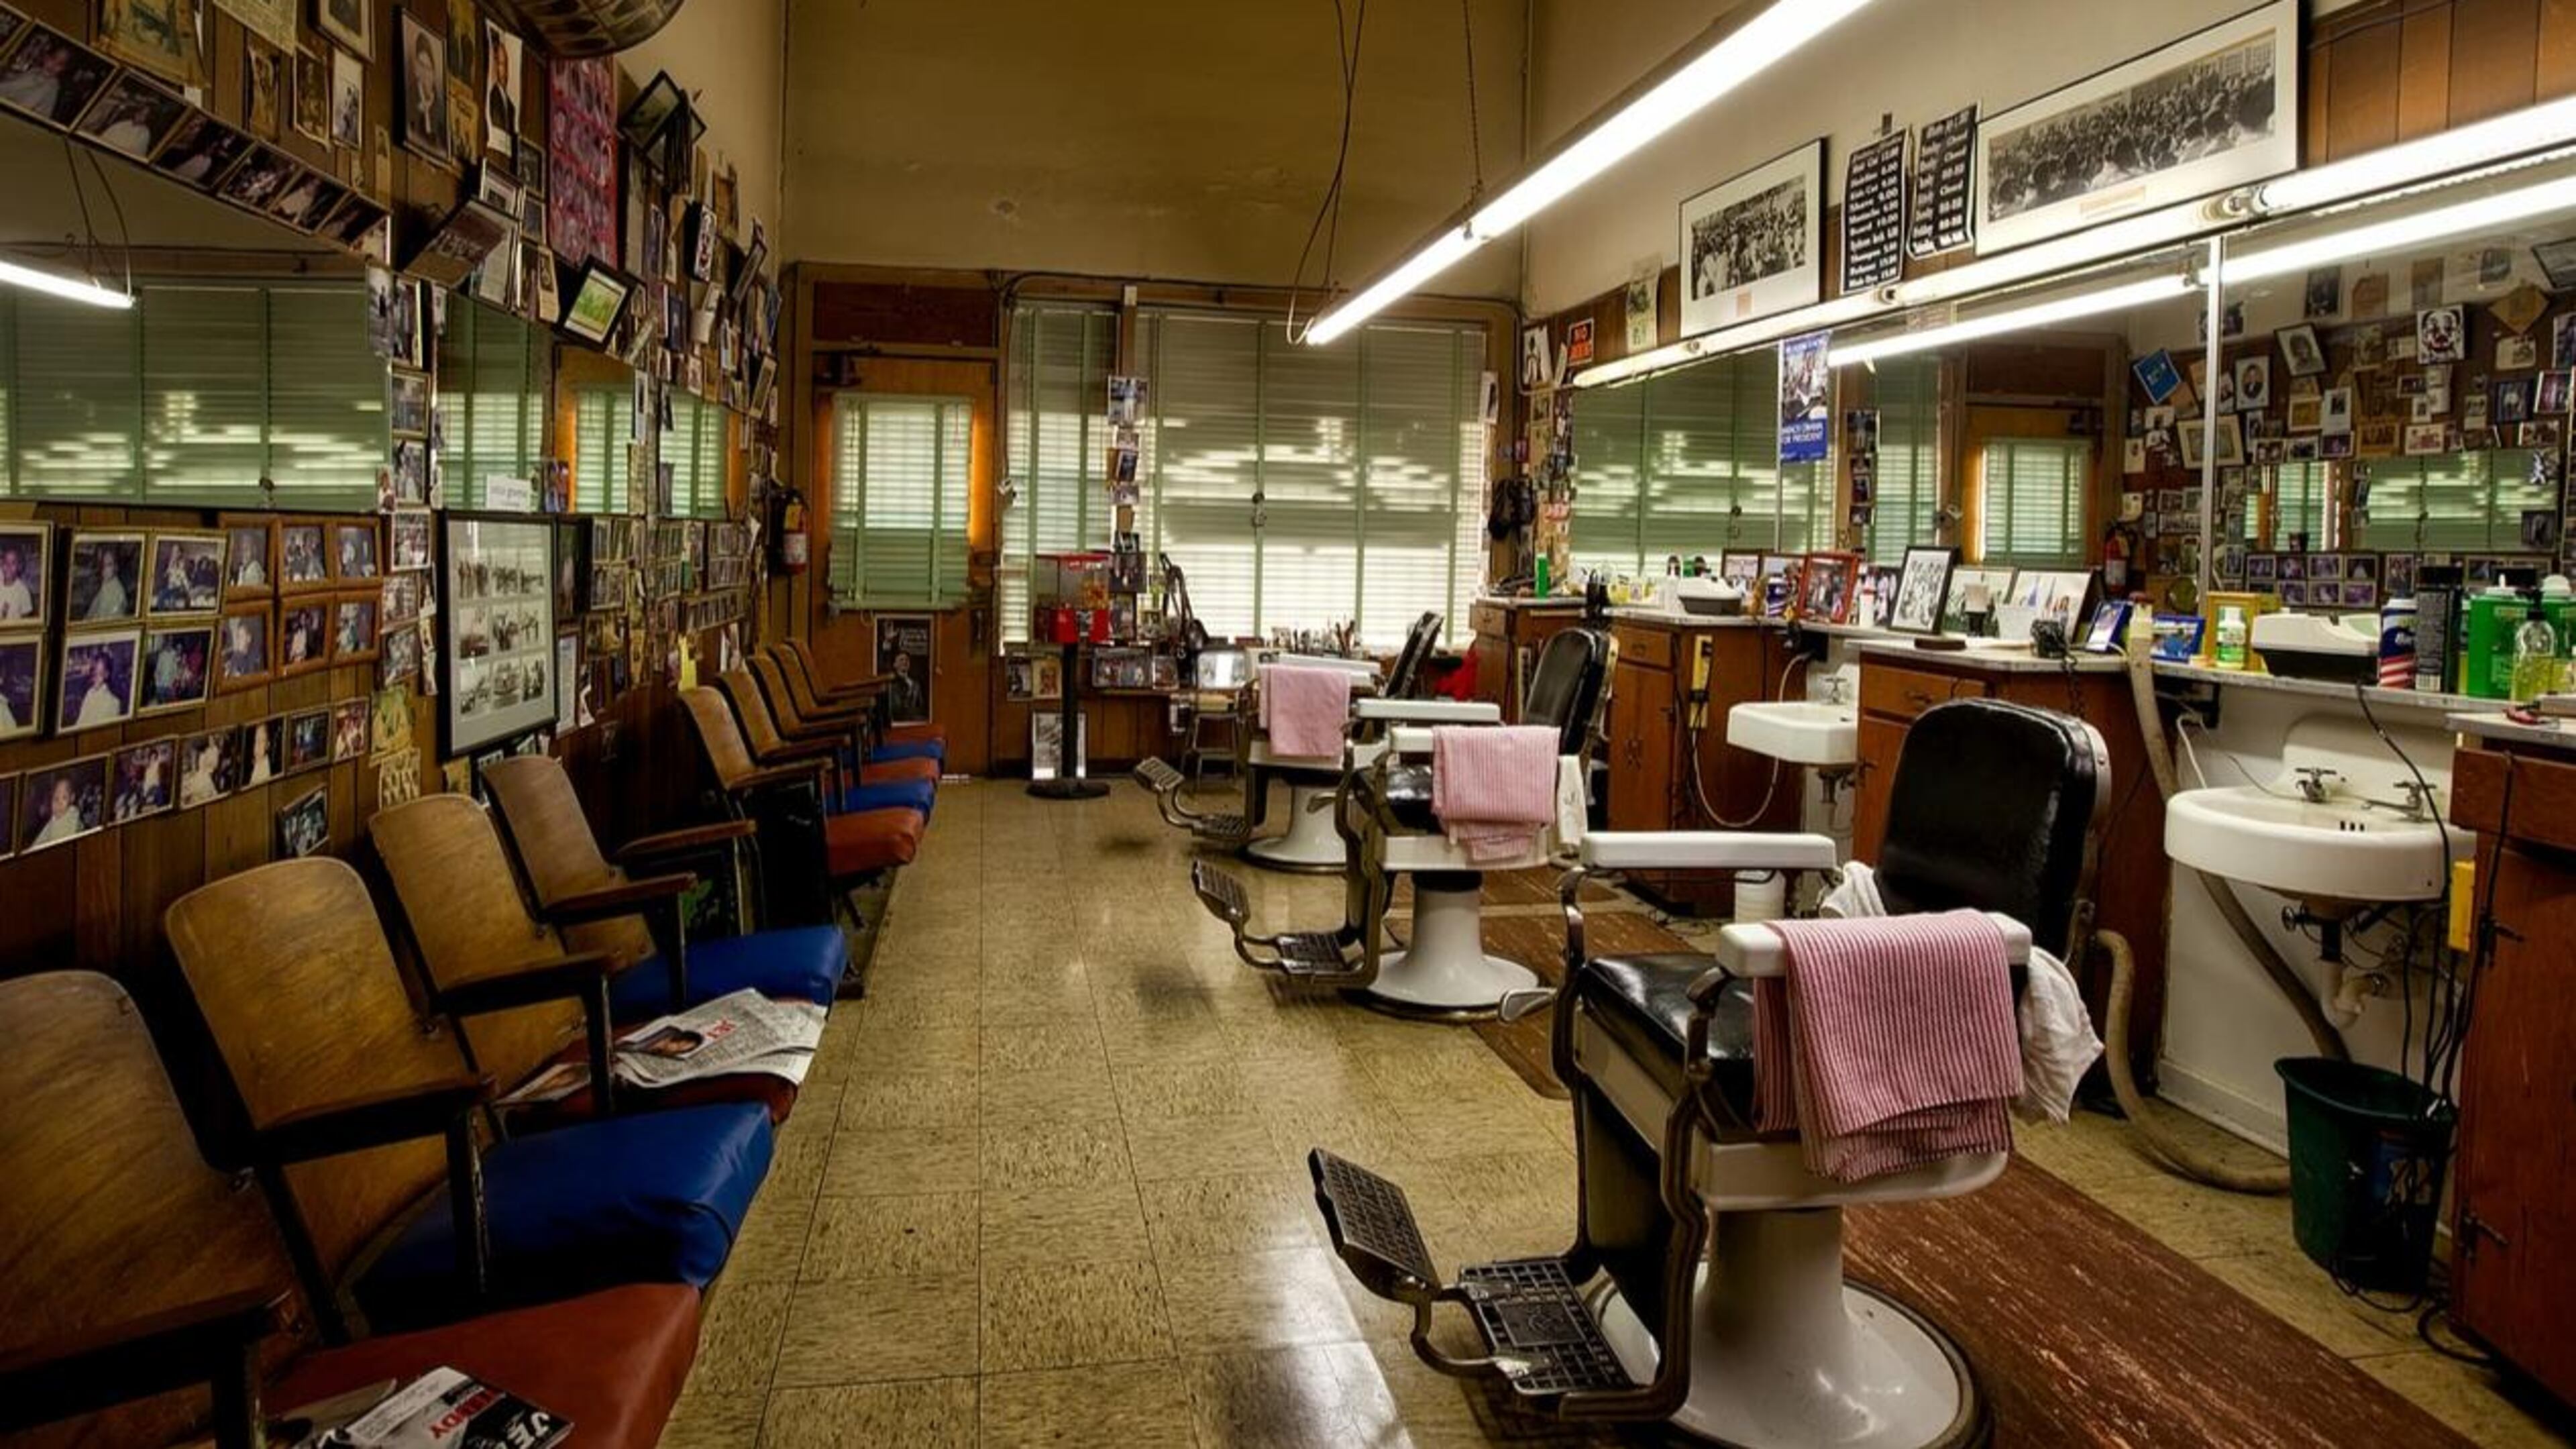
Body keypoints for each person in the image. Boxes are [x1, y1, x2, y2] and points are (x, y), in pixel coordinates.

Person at [70, 652, 124, 729]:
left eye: (98, 673)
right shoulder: (90, 693)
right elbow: (80, 723)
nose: (94, 677)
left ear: (106, 674)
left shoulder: (114, 702)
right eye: (93, 673)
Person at [30, 776, 85, 847]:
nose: (59, 803)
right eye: (56, 799)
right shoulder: (54, 819)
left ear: (72, 798)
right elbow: (42, 838)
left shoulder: (73, 815)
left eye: (64, 797)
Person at [84, 547, 130, 621]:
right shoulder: (107, 584)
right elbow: (93, 609)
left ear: (115, 566)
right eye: (102, 564)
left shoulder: (116, 593)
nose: (104, 569)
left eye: (109, 565)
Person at [0, 541, 33, 621]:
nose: (8, 566)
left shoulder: (23, 591)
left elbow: (26, 620)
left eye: (13, 563)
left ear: (19, 566)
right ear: (2, 564)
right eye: (6, 562)